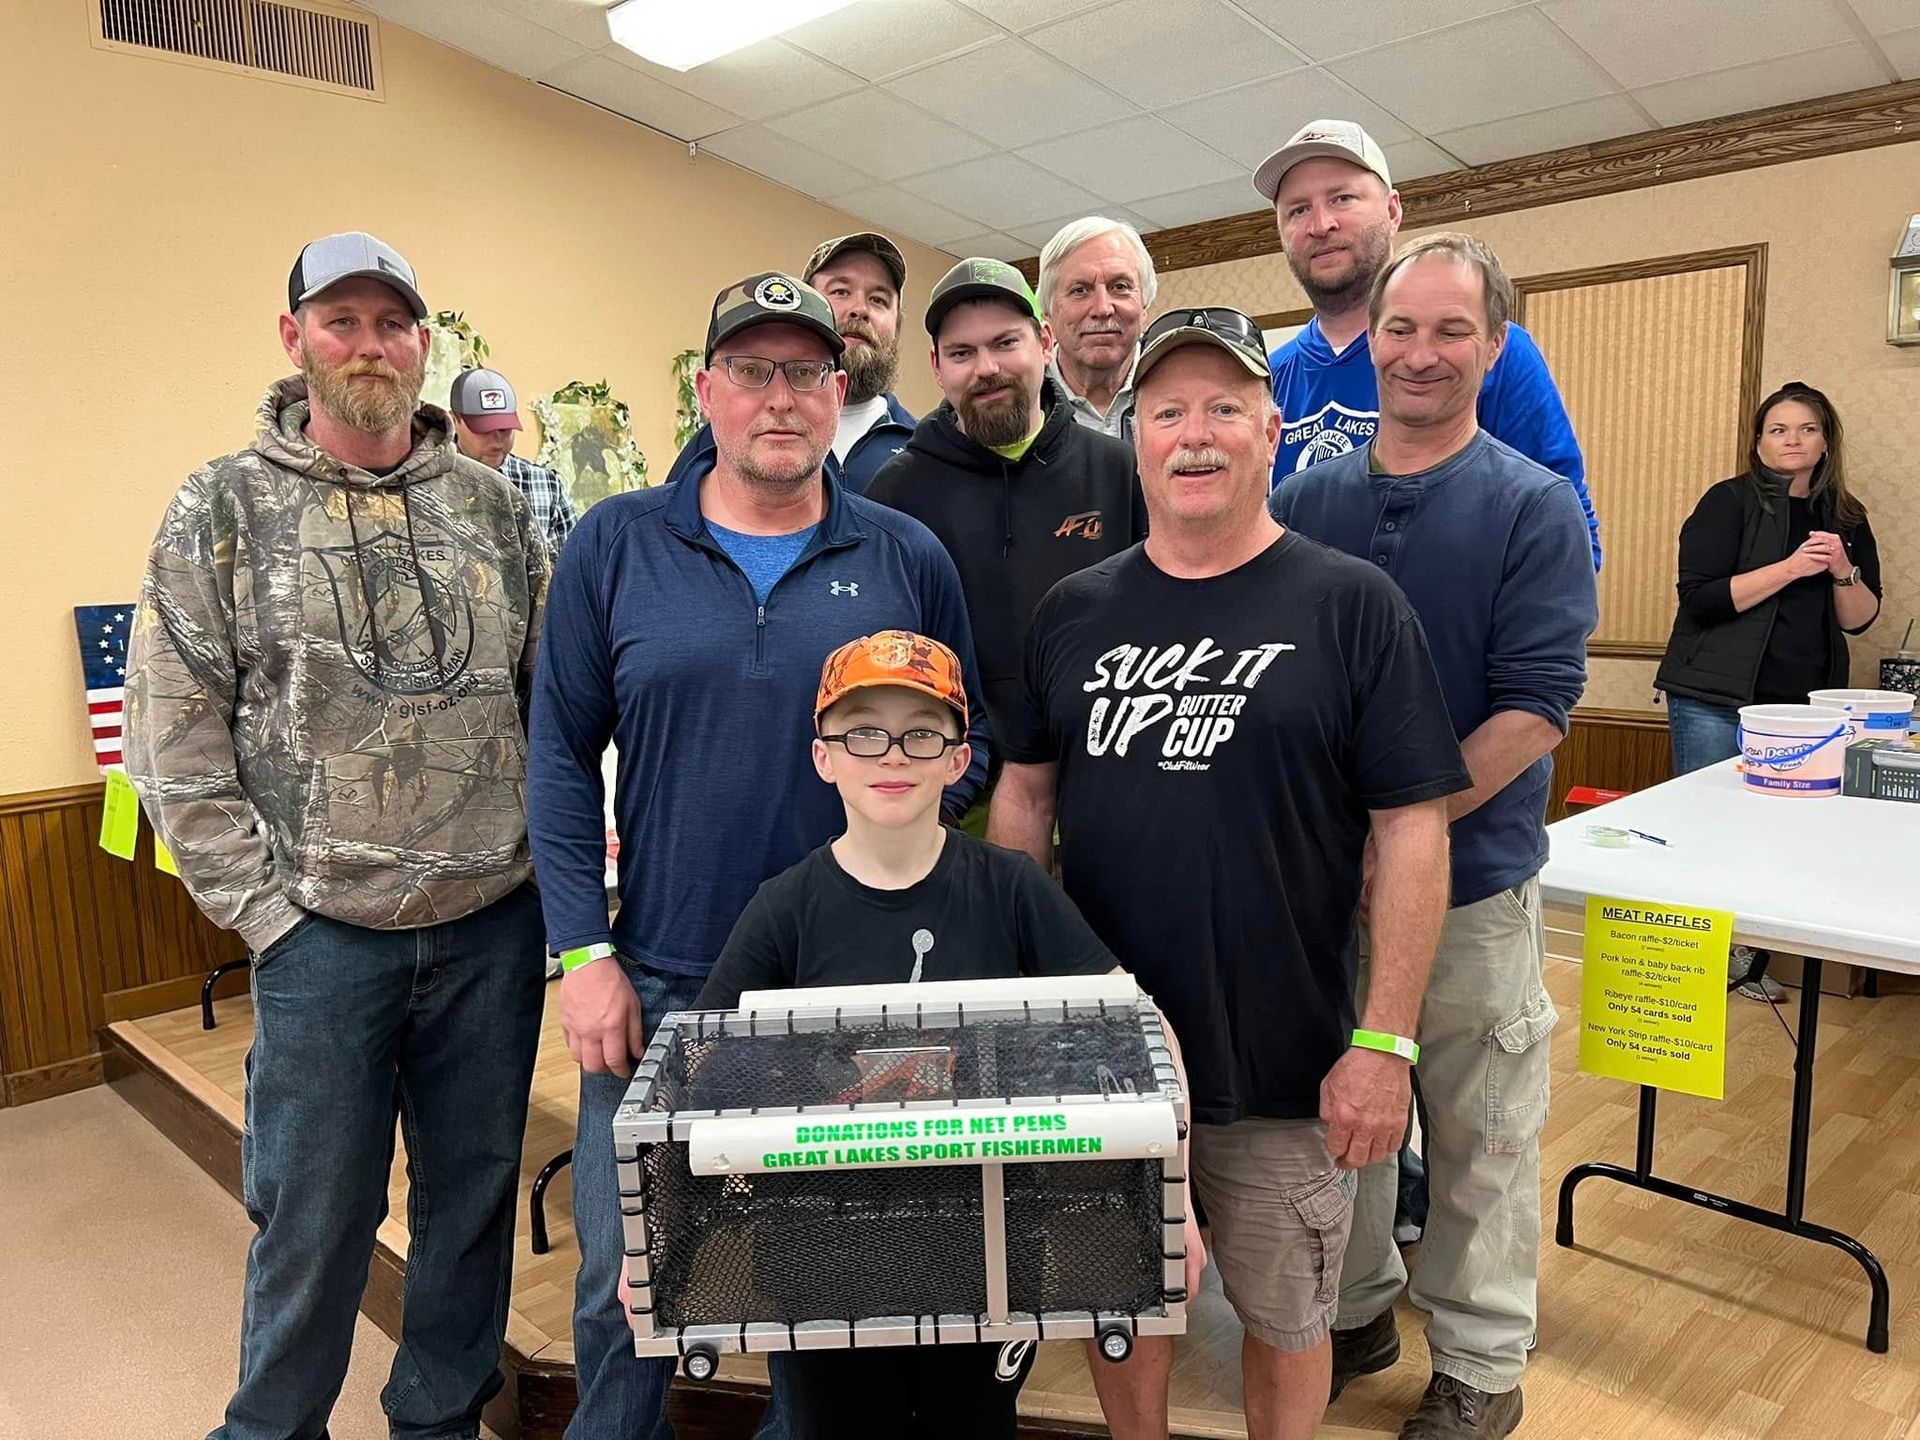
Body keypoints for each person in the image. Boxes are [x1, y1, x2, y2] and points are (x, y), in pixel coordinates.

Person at [991, 304, 1469, 1440]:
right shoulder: (1074, 611)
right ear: (1135, 439)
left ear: (1271, 429)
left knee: (1289, 1317)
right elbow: (1025, 797)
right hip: (1104, 1057)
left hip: (1287, 1057)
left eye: (1222, 408)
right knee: (1123, 1307)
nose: (1193, 434)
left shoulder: (1353, 606)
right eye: (1167, 412)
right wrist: (1023, 1001)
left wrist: (1386, 1045)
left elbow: (1414, 829)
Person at [526, 271, 991, 1440]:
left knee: (816, 1292)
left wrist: (896, 807)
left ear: (839, 390)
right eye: (751, 370)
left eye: (805, 372)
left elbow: (968, 744)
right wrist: (582, 953)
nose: (779, 397)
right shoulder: (615, 545)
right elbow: (557, 760)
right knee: (627, 1287)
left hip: (851, 998)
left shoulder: (906, 555)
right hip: (661, 983)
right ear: (707, 388)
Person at [124, 230, 551, 1440]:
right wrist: (267, 919)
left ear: (425, 343)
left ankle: (438, 1422)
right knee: (312, 1218)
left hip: (490, 927)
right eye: (342, 321)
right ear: (295, 337)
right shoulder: (222, 505)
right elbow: (171, 736)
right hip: (322, 937)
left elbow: (551, 703)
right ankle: (273, 1428)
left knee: (470, 1208)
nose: (370, 345)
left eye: (392, 323)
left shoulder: (492, 509)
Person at [693, 629, 1200, 1439]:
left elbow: (1140, 1026)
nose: (892, 755)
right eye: (863, 732)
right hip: (823, 1259)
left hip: (988, 1249)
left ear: (959, 758)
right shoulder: (784, 908)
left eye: (921, 733)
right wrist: (660, 1249)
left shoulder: (1012, 889)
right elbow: (699, 1069)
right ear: (823, 756)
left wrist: (1176, 1206)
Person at [1272, 232, 1598, 1439]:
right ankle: (1357, 1312)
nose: (1421, 352)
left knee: (1479, 1134)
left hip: (1472, 887)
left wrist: (1403, 829)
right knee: (1340, 1123)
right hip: (1321, 897)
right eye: (1401, 328)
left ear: (1495, 346)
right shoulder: (1303, 503)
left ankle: (1478, 1364)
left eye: (1452, 330)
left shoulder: (1533, 506)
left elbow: (1537, 708)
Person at [1254, 119, 1603, 572]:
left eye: (1342, 198)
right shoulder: (1268, 376)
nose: (1321, 224)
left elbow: (1565, 532)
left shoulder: (1492, 355)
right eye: (1298, 210)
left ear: (1392, 211)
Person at [866, 257, 1145, 774]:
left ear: (1044, 342)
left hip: (1106, 771)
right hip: (954, 782)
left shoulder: (1119, 470)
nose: (986, 368)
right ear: (936, 367)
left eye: (1004, 343)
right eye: (962, 353)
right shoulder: (896, 494)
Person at [1655, 380, 1882, 1001]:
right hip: (1715, 696)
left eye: (1807, 429)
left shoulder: (1847, 516)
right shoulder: (1728, 501)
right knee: (1709, 828)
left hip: (1806, 709)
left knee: (1780, 837)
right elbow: (1700, 600)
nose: (1793, 441)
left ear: (1826, 441)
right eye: (1778, 430)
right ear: (1758, 442)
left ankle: (1751, 963)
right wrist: (1791, 568)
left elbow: (1860, 619)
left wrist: (1842, 569)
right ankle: (1700, 964)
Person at [664, 233, 915, 494]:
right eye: (841, 291)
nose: (860, 309)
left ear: (897, 326)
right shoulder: (720, 440)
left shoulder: (921, 450)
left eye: (878, 299)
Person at [1036, 217, 1157, 437]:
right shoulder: (1019, 400)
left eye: (1120, 286)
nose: (1102, 309)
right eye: (1079, 290)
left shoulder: (1182, 385)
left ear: (1144, 305)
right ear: (1048, 312)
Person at [449, 365, 580, 552]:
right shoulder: (429, 482)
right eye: (483, 430)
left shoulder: (546, 485)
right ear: (454, 420)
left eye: (505, 429)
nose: (496, 441)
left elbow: (572, 564)